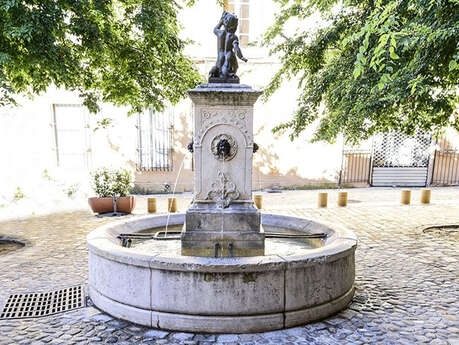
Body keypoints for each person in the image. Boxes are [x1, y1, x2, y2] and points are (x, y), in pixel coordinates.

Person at [209, 11, 248, 82]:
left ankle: (218, 72)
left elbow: (215, 29)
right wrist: (241, 57)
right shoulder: (233, 37)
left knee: (219, 69)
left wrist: (221, 21)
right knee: (230, 71)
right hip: (229, 57)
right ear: (234, 26)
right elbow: (236, 49)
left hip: (220, 57)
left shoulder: (220, 33)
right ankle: (229, 74)